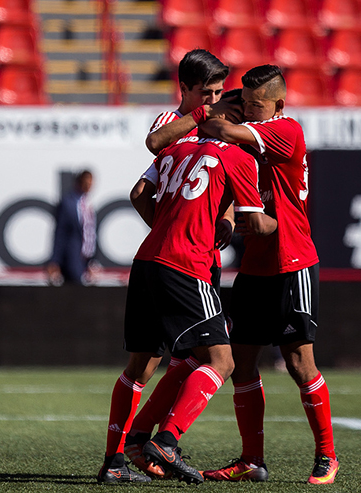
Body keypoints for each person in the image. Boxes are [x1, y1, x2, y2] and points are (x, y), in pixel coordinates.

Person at [98, 129, 278, 484]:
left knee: (149, 365)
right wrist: (288, 222)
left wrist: (177, 226)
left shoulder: (174, 144)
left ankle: (120, 456)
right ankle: (165, 440)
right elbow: (256, 221)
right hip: (187, 264)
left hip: (149, 259)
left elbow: (139, 193)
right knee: (222, 360)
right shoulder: (238, 155)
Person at [199, 65, 339, 484]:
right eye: (245, 103)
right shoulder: (251, 135)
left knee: (299, 363)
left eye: (256, 105)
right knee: (241, 364)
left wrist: (208, 114)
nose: (250, 111)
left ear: (277, 104)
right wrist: (226, 218)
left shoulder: (287, 130)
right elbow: (231, 179)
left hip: (292, 262)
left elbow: (224, 133)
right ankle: (252, 460)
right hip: (255, 267)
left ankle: (327, 456)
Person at [122, 50, 238, 478]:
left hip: (190, 260)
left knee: (181, 361)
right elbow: (152, 152)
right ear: (184, 91)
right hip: (184, 262)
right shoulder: (173, 127)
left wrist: (225, 219)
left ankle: (136, 446)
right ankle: (158, 442)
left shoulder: (223, 134)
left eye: (218, 92)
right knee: (206, 360)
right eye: (204, 93)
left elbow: (226, 192)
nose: (212, 99)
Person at [47, 170, 96, 285]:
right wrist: (55, 260)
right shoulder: (68, 202)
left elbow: (91, 233)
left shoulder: (88, 204)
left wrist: (92, 260)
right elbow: (60, 232)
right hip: (72, 255)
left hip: (86, 256)